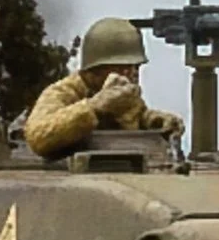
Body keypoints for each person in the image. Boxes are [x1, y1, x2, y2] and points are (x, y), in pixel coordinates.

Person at [21, 17, 186, 157]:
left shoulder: (124, 96)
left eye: (136, 67)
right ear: (95, 70)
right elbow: (38, 136)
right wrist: (94, 107)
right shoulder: (63, 93)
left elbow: (135, 116)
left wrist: (153, 121)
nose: (132, 74)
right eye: (123, 67)